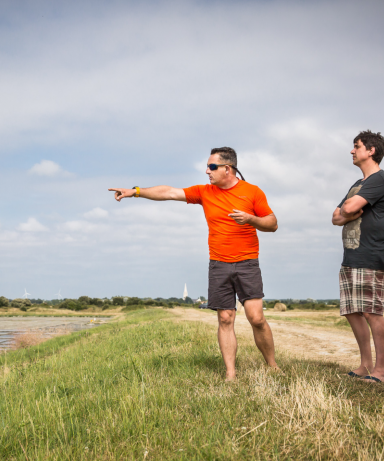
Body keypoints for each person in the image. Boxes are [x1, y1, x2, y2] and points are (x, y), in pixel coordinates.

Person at [109, 147, 280, 381]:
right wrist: (135, 191)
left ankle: (272, 365)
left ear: (227, 169)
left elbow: (272, 223)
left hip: (247, 263)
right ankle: (231, 373)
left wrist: (251, 219)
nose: (206, 171)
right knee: (225, 318)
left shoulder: (252, 192)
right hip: (219, 264)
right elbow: (168, 192)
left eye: (212, 167)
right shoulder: (204, 192)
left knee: (256, 318)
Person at [332, 131, 384, 384]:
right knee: (352, 310)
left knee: (372, 312)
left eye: (356, 146)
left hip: (372, 253)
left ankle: (380, 370)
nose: (352, 151)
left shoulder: (380, 179)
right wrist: (352, 210)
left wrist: (351, 209)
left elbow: (346, 209)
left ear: (371, 151)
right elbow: (336, 217)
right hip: (352, 253)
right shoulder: (358, 184)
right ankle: (365, 364)